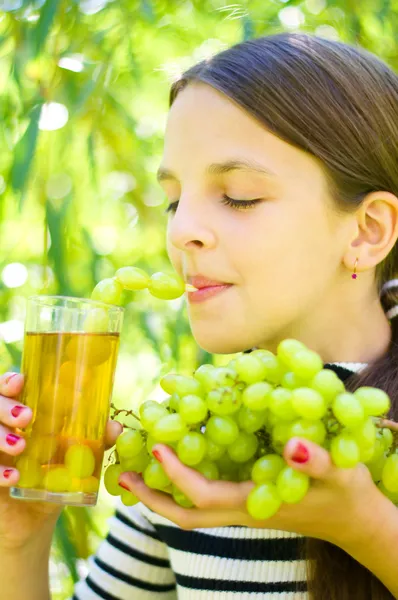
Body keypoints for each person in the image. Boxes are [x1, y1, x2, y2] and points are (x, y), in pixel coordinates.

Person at [1, 32, 398, 600]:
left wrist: (368, 529)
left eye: (237, 195)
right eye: (173, 199)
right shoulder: (191, 445)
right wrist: (18, 542)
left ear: (367, 231)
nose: (180, 230)